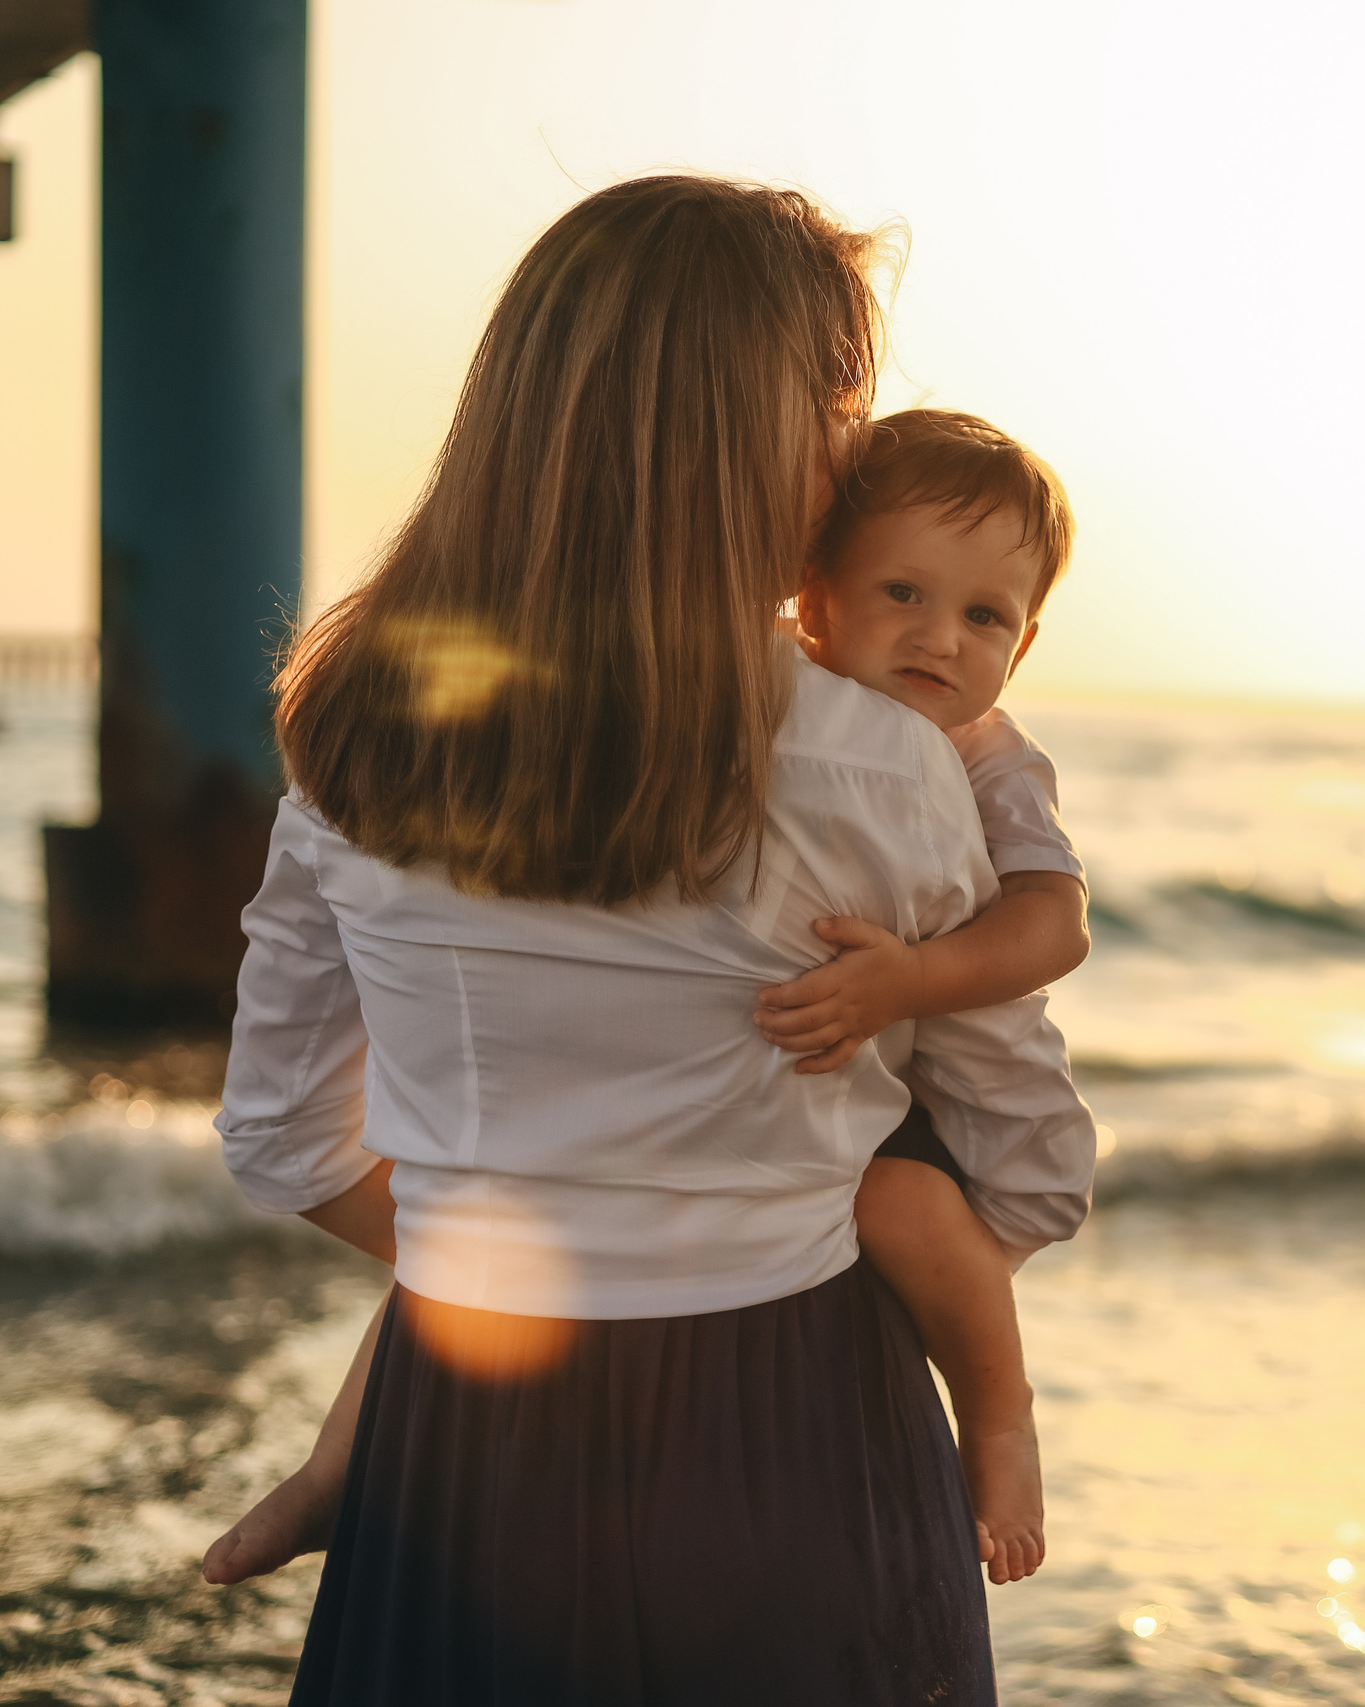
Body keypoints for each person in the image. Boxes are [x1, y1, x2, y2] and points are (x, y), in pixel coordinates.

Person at [207, 176, 1096, 1706]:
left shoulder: (355, 736)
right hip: (798, 1418)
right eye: (840, 403)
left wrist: (528, 1242)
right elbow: (1024, 1161)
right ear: (753, 434)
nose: (857, 453)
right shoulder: (886, 764)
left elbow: (283, 1136)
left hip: (460, 1431)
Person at [761, 407, 1090, 1584]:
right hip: (888, 1097)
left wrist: (909, 981)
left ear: (1022, 644)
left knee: (894, 1203)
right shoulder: (781, 691)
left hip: (982, 1129)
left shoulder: (988, 756)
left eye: (983, 617)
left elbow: (1054, 924)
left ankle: (999, 1419)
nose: (939, 638)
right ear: (815, 596)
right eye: (902, 592)